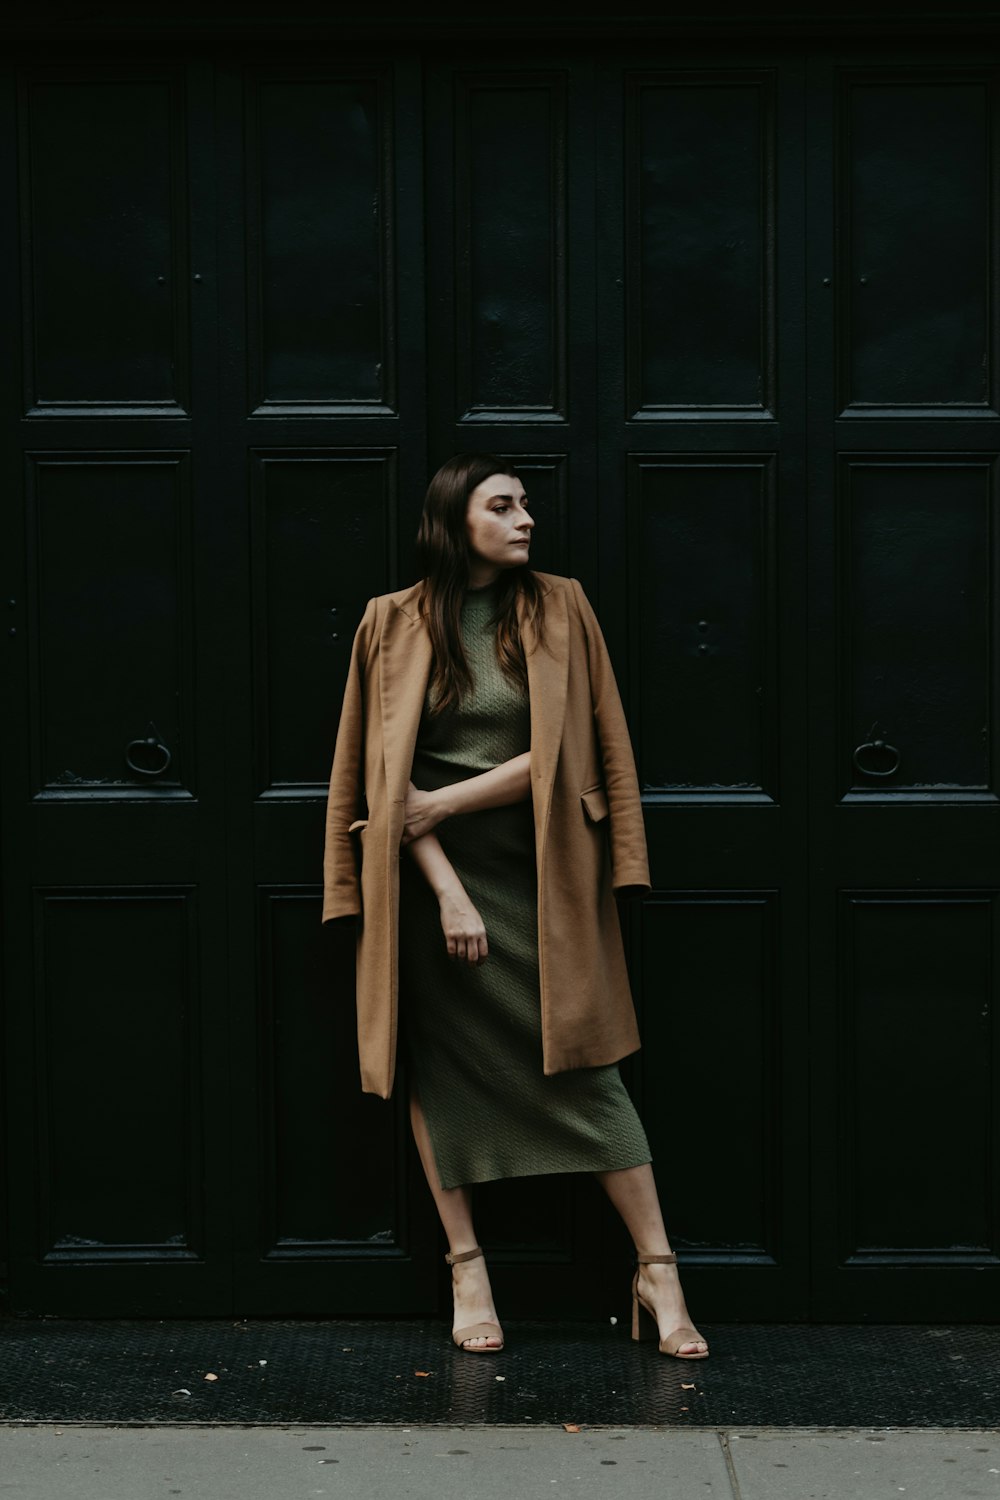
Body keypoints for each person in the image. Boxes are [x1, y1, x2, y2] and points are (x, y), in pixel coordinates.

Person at [322, 453, 708, 1360]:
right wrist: (447, 887)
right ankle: (466, 1266)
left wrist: (447, 804)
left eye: (526, 503)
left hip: (544, 877)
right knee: (440, 1072)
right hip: (428, 888)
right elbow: (384, 783)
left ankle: (658, 1269)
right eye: (503, 506)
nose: (526, 518)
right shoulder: (393, 623)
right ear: (457, 522)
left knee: (588, 1067)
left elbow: (572, 750)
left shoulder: (562, 607)